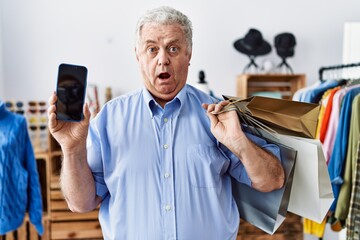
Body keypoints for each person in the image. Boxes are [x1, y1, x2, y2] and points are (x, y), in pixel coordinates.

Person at [47, 6, 285, 239]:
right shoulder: (109, 119)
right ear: (138, 56)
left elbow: (272, 180)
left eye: (173, 48)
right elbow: (81, 203)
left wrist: (239, 142)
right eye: (152, 49)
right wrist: (71, 149)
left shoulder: (219, 116)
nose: (163, 60)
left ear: (188, 55)